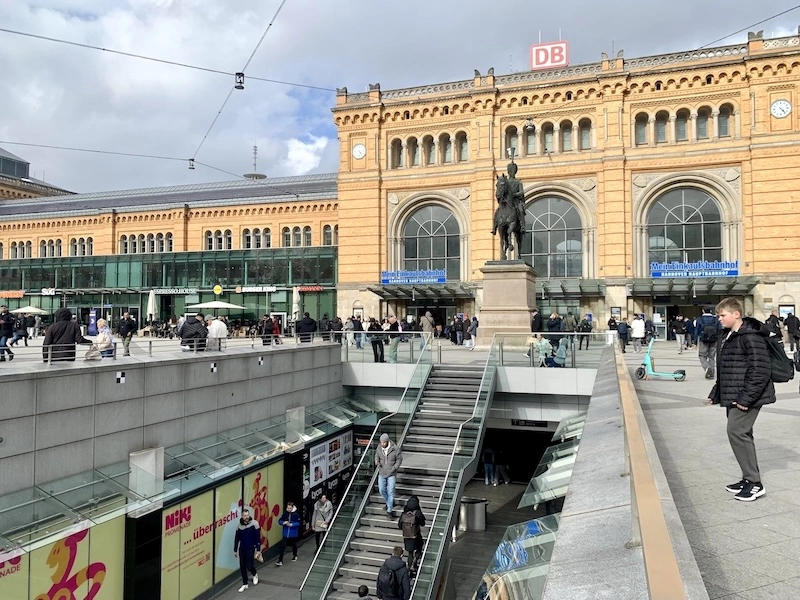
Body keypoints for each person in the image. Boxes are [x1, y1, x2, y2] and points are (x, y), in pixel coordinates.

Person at [706, 297, 774, 502]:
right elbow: (728, 369)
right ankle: (748, 478)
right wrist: (716, 392)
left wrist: (746, 398)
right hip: (734, 394)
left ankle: (755, 483)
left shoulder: (750, 337)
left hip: (747, 396)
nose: (719, 319)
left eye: (722, 315)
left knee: (736, 431)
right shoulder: (728, 335)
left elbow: (760, 371)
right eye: (718, 315)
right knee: (744, 434)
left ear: (736, 314)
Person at [375, 433, 403, 519]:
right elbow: (377, 455)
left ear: (387, 442)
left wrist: (395, 468)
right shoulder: (379, 447)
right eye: (381, 442)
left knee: (390, 491)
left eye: (383, 442)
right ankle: (389, 503)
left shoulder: (395, 448)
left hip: (391, 473)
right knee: (381, 490)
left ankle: (389, 510)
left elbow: (399, 459)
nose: (382, 444)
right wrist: (377, 461)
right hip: (382, 472)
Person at [234, 509, 261, 592]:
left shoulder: (254, 524)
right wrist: (235, 550)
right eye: (244, 515)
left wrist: (258, 550)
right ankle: (245, 584)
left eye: (247, 515)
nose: (246, 517)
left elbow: (258, 537)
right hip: (242, 548)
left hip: (251, 548)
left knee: (249, 565)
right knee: (242, 567)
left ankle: (254, 574)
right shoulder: (239, 526)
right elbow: (237, 539)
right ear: (242, 516)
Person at [398, 495, 425, 577]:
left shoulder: (404, 513)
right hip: (416, 536)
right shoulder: (417, 513)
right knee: (420, 547)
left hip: (406, 536)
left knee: (410, 553)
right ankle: (415, 562)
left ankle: (409, 568)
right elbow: (423, 523)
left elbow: (399, 525)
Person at [697, 307, 721, 379]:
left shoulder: (699, 319)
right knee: (711, 356)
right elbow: (719, 330)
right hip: (714, 340)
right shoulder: (715, 319)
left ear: (703, 311)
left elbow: (697, 331)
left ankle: (707, 368)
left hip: (703, 340)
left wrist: (695, 341)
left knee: (702, 355)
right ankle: (712, 372)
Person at [276, 501, 301, 565]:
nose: (288, 509)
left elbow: (298, 523)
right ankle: (280, 560)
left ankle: (295, 555)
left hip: (293, 533)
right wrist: (283, 523)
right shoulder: (285, 514)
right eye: (288, 508)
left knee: (294, 545)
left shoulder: (296, 514)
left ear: (292, 508)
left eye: (290, 508)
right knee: (282, 546)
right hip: (286, 533)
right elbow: (280, 520)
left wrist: (292, 524)